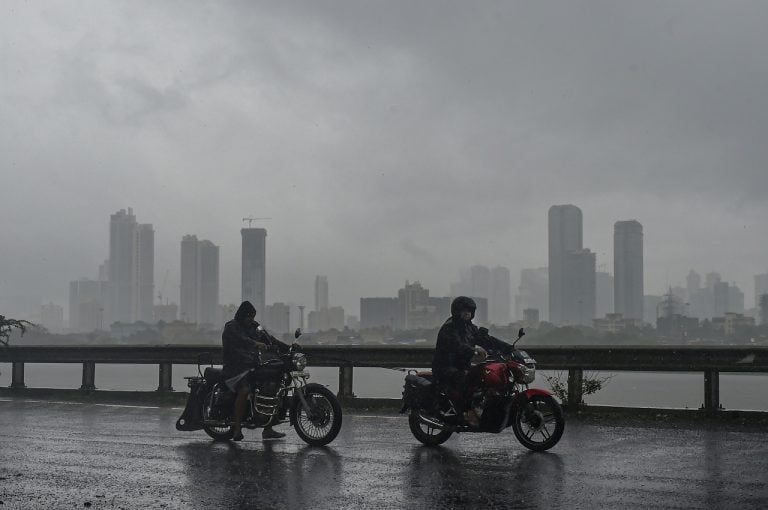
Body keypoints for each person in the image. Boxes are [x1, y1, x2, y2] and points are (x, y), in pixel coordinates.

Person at [222, 301, 299, 441]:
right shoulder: (231, 327)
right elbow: (242, 340)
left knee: (271, 386)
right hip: (235, 368)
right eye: (249, 316)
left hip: (252, 365)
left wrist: (287, 347)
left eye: (253, 316)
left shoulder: (254, 326)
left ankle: (268, 428)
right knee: (245, 389)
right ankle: (237, 428)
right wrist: (256, 344)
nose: (251, 319)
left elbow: (269, 339)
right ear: (241, 315)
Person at [431, 296, 513, 427]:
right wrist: (473, 351)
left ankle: (482, 408)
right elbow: (457, 346)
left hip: (462, 366)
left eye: (469, 311)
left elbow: (486, 339)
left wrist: (506, 347)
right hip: (446, 367)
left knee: (484, 377)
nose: (467, 313)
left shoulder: (469, 328)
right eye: (464, 310)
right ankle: (467, 412)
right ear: (456, 311)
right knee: (466, 380)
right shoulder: (449, 328)